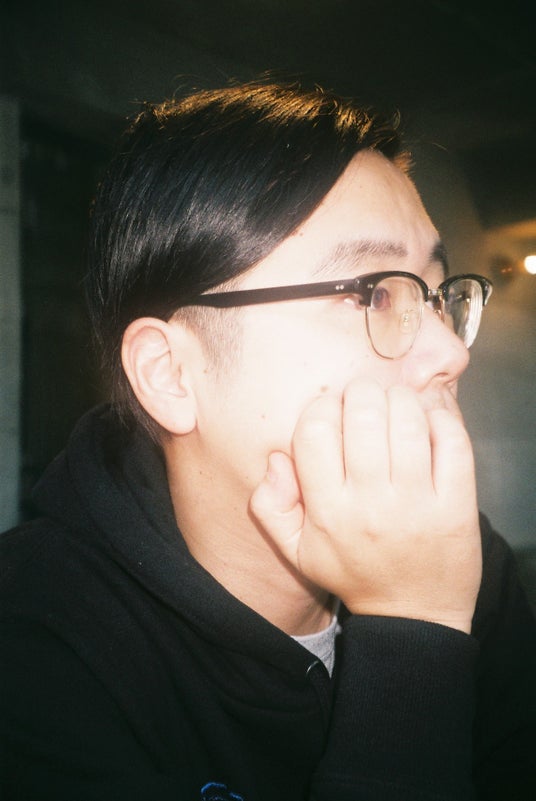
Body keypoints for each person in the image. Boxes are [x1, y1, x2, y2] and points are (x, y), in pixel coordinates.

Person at [1, 81, 535, 801]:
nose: (448, 352)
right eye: (376, 292)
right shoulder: (35, 645)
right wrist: (413, 629)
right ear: (171, 374)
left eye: (437, 295)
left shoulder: (459, 561)